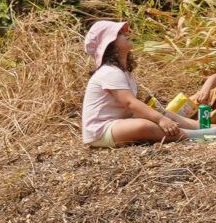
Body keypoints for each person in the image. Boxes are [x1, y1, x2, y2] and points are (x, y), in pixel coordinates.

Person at [80, 17, 191, 148]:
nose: (126, 34)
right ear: (109, 45)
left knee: (164, 113)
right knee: (144, 125)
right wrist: (160, 120)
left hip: (118, 124)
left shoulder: (123, 72)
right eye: (119, 34)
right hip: (100, 131)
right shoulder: (109, 71)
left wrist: (158, 114)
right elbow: (130, 103)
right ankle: (199, 134)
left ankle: (214, 128)